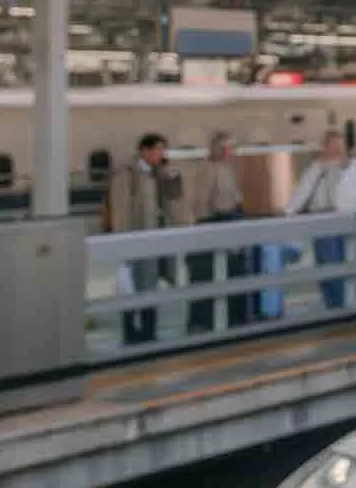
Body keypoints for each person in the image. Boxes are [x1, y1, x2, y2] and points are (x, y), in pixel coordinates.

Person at [287, 131, 356, 311]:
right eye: (332, 145)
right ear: (325, 146)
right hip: (323, 221)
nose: (336, 149)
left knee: (349, 266)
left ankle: (348, 307)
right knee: (327, 267)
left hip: (349, 221)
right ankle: (335, 307)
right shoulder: (316, 167)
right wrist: (289, 212)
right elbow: (302, 192)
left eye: (339, 145)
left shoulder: (355, 165)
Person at [104, 133, 184, 346]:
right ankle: (131, 334)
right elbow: (120, 211)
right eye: (157, 150)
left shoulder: (158, 173)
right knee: (131, 287)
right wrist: (124, 243)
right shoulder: (126, 175)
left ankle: (149, 332)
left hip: (156, 239)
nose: (161, 154)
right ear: (143, 151)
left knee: (150, 286)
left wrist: (171, 178)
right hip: (136, 239)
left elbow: (174, 201)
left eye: (163, 150)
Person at [186, 132, 248, 333]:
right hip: (213, 226)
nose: (233, 151)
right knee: (206, 276)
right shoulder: (208, 169)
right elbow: (202, 202)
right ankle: (204, 323)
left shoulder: (228, 168)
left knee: (233, 274)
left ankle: (232, 319)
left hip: (229, 224)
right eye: (229, 147)